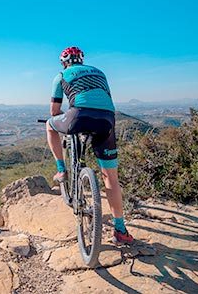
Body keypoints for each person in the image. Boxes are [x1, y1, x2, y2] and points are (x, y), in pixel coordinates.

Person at [46, 46, 133, 244]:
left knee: (50, 126)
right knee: (111, 177)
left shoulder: (61, 75)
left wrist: (66, 115)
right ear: (81, 60)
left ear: (64, 62)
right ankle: (120, 230)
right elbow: (105, 99)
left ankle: (61, 170)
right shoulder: (100, 72)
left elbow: (54, 111)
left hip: (78, 116)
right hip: (107, 119)